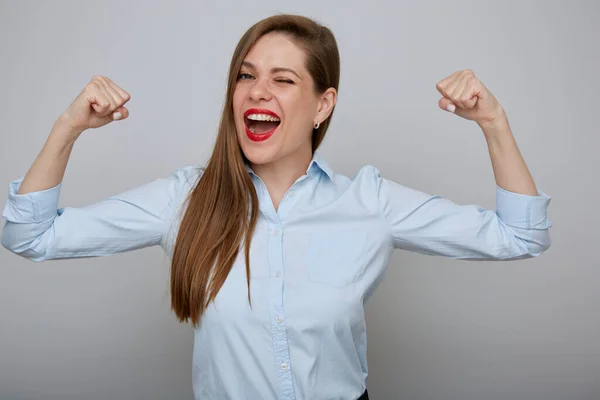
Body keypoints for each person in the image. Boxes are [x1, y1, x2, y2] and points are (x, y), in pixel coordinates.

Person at [1, 14, 551, 400]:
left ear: (322, 104)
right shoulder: (186, 199)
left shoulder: (370, 201)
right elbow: (31, 236)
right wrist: (68, 128)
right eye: (246, 75)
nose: (257, 91)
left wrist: (493, 124)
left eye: (283, 80)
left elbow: (521, 235)